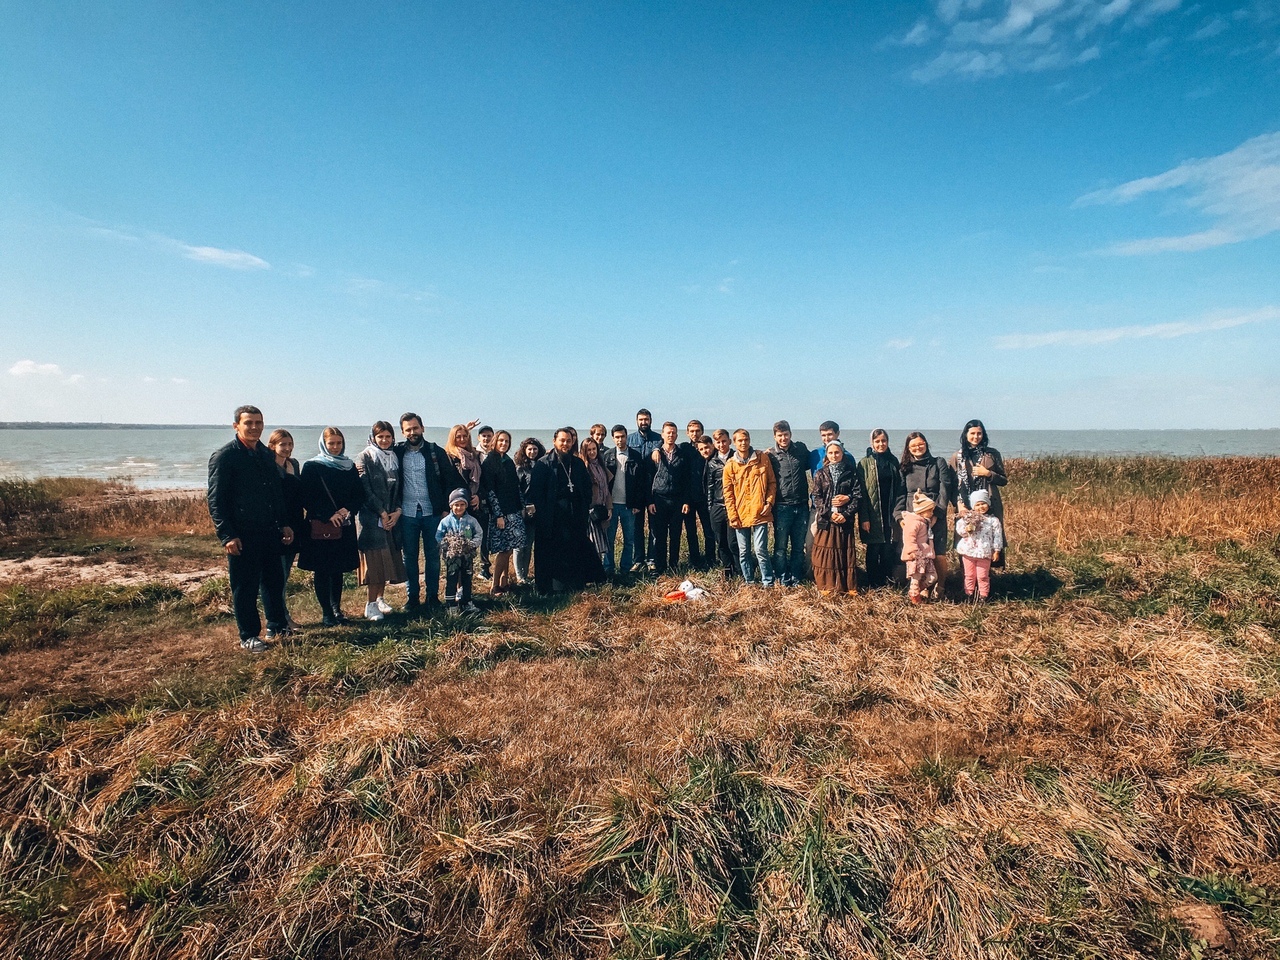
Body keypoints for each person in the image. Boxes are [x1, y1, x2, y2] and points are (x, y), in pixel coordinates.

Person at [208, 405, 295, 651]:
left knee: (274, 581)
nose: (254, 427)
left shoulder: (265, 455)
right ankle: (248, 636)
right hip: (242, 533)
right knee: (245, 586)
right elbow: (216, 500)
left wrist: (284, 523)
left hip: (270, 530)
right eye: (249, 423)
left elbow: (275, 493)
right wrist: (227, 535)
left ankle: (278, 626)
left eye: (258, 422)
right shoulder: (225, 456)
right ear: (237, 426)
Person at [298, 428, 365, 626]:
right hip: (321, 525)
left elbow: (359, 495)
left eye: (338, 443)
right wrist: (329, 514)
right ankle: (326, 613)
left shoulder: (348, 466)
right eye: (331, 443)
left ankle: (337, 609)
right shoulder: (312, 466)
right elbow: (306, 497)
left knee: (338, 569)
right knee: (322, 569)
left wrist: (346, 510)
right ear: (323, 444)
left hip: (344, 524)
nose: (335, 447)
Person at [395, 413, 460, 613]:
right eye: (408, 429)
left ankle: (432, 597)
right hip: (407, 513)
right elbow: (377, 454)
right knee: (410, 557)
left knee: (433, 556)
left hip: (432, 513)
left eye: (415, 428)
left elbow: (451, 480)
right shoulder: (397, 452)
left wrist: (445, 509)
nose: (412, 432)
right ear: (403, 432)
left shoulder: (435, 452)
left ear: (423, 428)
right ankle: (412, 597)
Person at [534, 428, 602, 592]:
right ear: (554, 441)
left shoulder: (577, 463)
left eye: (569, 441)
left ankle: (575, 584)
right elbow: (537, 493)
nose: (565, 444)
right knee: (552, 552)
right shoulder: (543, 464)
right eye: (562, 440)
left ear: (573, 443)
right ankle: (551, 588)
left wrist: (583, 507)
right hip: (553, 517)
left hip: (574, 515)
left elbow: (586, 488)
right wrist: (545, 515)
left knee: (575, 549)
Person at [894, 432, 956, 595]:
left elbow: (945, 488)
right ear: (908, 448)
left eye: (920, 444)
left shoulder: (938, 463)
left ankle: (940, 585)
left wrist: (938, 513)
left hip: (935, 511)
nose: (917, 447)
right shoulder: (904, 467)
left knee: (939, 553)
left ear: (926, 444)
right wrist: (900, 516)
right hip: (913, 514)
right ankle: (922, 587)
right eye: (913, 445)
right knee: (918, 553)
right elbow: (900, 493)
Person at [355, 421, 405, 621]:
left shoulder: (393, 458)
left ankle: (380, 598)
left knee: (387, 560)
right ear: (373, 438)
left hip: (391, 519)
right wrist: (382, 513)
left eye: (388, 436)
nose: (384, 440)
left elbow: (400, 489)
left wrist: (397, 511)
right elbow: (365, 490)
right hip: (371, 519)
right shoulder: (364, 457)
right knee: (375, 564)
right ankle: (370, 605)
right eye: (380, 437)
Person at [950, 419, 1009, 569]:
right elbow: (951, 484)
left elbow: (1003, 480)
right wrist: (959, 504)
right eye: (973, 433)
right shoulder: (957, 456)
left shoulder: (992, 454)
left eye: (979, 433)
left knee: (989, 538)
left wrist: (988, 473)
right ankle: (966, 580)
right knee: (966, 539)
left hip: (988, 504)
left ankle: (986, 580)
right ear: (965, 434)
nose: (976, 437)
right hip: (965, 505)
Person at [260, 428, 303, 629]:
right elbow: (274, 496)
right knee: (276, 577)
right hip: (275, 525)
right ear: (272, 446)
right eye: (282, 444)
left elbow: (297, 496)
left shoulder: (293, 464)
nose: (287, 448)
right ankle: (279, 618)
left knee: (285, 573)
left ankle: (283, 617)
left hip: (294, 523)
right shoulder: (267, 466)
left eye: (289, 444)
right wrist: (288, 478)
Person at [811, 440, 865, 595]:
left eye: (837, 452)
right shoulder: (821, 474)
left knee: (844, 554)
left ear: (842, 453)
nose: (834, 455)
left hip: (844, 520)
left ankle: (848, 586)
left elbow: (858, 497)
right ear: (827, 455)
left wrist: (845, 514)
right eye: (831, 453)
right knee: (826, 555)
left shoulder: (851, 473)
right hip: (826, 520)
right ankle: (826, 586)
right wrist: (829, 514)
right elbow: (816, 497)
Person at [723, 428, 776, 587]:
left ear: (749, 440)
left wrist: (769, 502)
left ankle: (768, 582)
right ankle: (750, 582)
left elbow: (772, 483)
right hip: (740, 514)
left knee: (760, 550)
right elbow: (728, 493)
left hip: (760, 511)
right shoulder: (730, 465)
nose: (743, 443)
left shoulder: (762, 458)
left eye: (745, 439)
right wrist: (733, 515)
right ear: (734, 442)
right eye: (740, 440)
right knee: (744, 551)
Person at [481, 430, 527, 596]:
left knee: (510, 547)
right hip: (500, 513)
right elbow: (490, 491)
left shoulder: (508, 462)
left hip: (513, 510)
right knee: (503, 550)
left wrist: (522, 506)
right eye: (501, 440)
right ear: (495, 441)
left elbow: (515, 487)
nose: (504, 444)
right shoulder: (489, 462)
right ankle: (494, 587)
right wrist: (498, 515)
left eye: (507, 441)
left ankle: (504, 582)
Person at [858, 429, 905, 589]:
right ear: (872, 443)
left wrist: (898, 513)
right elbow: (862, 493)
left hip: (890, 511)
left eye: (883, 441)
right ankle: (872, 582)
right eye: (877, 441)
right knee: (873, 548)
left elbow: (900, 487)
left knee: (888, 548)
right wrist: (864, 517)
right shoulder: (864, 463)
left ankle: (886, 580)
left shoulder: (893, 461)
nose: (881, 444)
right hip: (873, 513)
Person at [767, 420, 811, 588]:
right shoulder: (770, 455)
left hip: (801, 505)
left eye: (786, 434)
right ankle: (782, 577)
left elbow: (812, 464)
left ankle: (796, 576)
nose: (783, 438)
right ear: (775, 436)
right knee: (780, 547)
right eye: (780, 435)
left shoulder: (800, 449)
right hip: (782, 506)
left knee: (799, 546)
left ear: (790, 434)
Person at [600, 424, 645, 576]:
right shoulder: (607, 455)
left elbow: (641, 482)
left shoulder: (635, 455)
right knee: (609, 539)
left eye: (623, 436)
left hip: (629, 505)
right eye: (617, 437)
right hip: (611, 505)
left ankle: (625, 569)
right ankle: (608, 568)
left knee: (629, 539)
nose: (620, 440)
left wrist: (638, 504)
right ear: (613, 439)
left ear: (627, 437)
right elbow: (602, 482)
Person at [648, 421, 690, 575]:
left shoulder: (682, 454)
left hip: (677, 500)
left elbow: (687, 480)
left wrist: (686, 501)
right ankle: (660, 567)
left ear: (677, 435)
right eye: (668, 432)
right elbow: (648, 478)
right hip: (659, 499)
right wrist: (650, 501)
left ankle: (673, 565)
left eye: (673, 433)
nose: (671, 435)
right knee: (659, 536)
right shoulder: (654, 455)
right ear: (662, 435)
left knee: (675, 534)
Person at [436, 488, 483, 616]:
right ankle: (451, 604)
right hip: (452, 556)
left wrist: (472, 544)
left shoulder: (471, 521)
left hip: (467, 555)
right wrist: (447, 545)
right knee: (452, 577)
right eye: (456, 505)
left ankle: (466, 602)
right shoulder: (445, 522)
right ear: (451, 506)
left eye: (462, 505)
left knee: (467, 577)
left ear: (466, 506)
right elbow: (439, 536)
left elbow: (479, 533)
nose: (459, 508)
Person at [954, 488, 1004, 602]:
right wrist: (967, 529)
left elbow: (997, 536)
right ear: (973, 506)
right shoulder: (969, 518)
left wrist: (996, 550)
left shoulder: (993, 521)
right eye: (978, 504)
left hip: (984, 553)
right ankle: (969, 594)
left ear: (988, 504)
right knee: (969, 575)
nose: (981, 507)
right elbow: (960, 530)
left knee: (982, 576)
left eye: (983, 503)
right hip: (968, 552)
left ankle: (983, 595)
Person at [627, 409, 662, 571]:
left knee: (654, 527)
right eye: (641, 419)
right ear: (636, 421)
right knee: (637, 527)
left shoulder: (658, 439)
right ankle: (638, 560)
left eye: (646, 419)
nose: (643, 422)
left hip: (653, 488)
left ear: (651, 421)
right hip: (636, 489)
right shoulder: (630, 439)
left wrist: (657, 449)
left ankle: (652, 559)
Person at [704, 430, 739, 580]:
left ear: (729, 441)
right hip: (717, 506)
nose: (721, 444)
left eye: (724, 441)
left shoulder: (737, 458)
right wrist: (710, 507)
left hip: (734, 506)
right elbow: (710, 486)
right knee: (721, 541)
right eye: (718, 442)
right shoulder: (712, 462)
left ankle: (739, 570)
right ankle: (727, 570)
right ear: (714, 444)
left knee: (733, 542)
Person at [678, 419, 713, 568]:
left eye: (697, 431)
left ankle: (711, 559)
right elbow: (666, 448)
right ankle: (695, 560)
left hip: (705, 497)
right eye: (692, 431)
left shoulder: (708, 449)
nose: (694, 433)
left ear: (702, 431)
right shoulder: (684, 448)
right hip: (688, 497)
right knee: (691, 532)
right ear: (687, 433)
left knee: (708, 530)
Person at [512, 437, 546, 585]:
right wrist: (521, 507)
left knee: (529, 544)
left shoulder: (541, 466)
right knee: (519, 545)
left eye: (535, 449)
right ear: (524, 451)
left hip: (536, 511)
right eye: (530, 449)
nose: (532, 452)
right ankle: (519, 576)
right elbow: (516, 490)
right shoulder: (520, 468)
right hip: (521, 510)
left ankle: (525, 575)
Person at [580, 436, 612, 568]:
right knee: (593, 545)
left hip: (601, 510)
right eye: (589, 450)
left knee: (601, 545)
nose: (592, 452)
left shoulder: (601, 465)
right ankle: (592, 575)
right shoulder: (583, 467)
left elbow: (607, 488)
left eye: (594, 449)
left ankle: (598, 574)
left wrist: (609, 507)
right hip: (590, 512)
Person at [902, 491, 939, 604]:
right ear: (922, 511)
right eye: (930, 511)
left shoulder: (924, 522)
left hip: (926, 555)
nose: (932, 513)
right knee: (916, 578)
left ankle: (917, 591)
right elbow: (909, 537)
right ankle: (914, 598)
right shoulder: (914, 522)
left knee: (933, 577)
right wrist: (912, 551)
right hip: (916, 555)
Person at [475, 426, 495, 579]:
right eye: (484, 436)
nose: (486, 439)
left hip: (490, 499)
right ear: (478, 438)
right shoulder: (473, 454)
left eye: (489, 436)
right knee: (473, 533)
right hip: (475, 500)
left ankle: (485, 567)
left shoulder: (495, 455)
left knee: (486, 534)